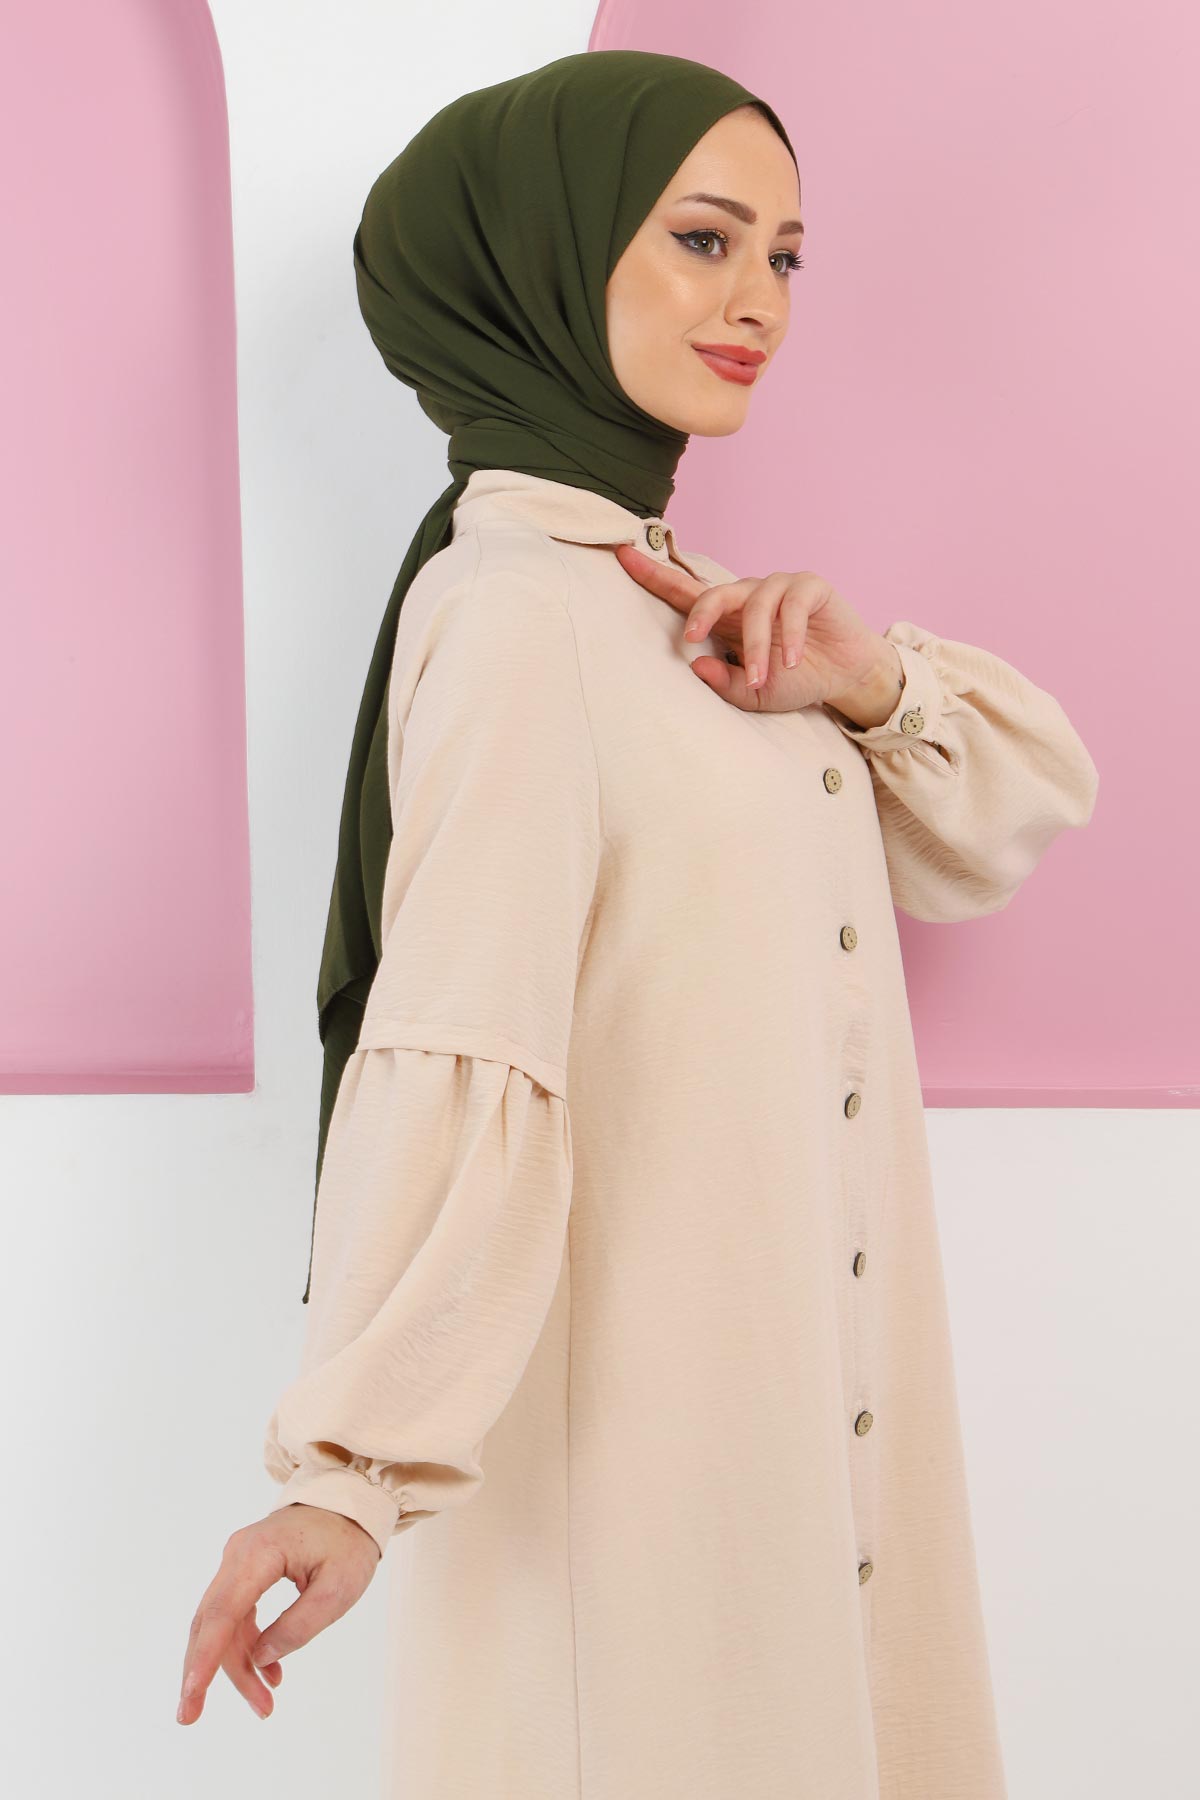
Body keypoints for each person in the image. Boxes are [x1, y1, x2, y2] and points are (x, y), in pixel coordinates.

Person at [178, 48, 1098, 1799]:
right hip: (650, 1491)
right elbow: (468, 1042)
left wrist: (866, 680)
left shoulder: (683, 607)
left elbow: (1023, 804)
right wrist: (349, 1474)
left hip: (805, 1447)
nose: (759, 302)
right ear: (542, 251)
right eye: (702, 238)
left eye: (786, 256)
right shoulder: (518, 616)